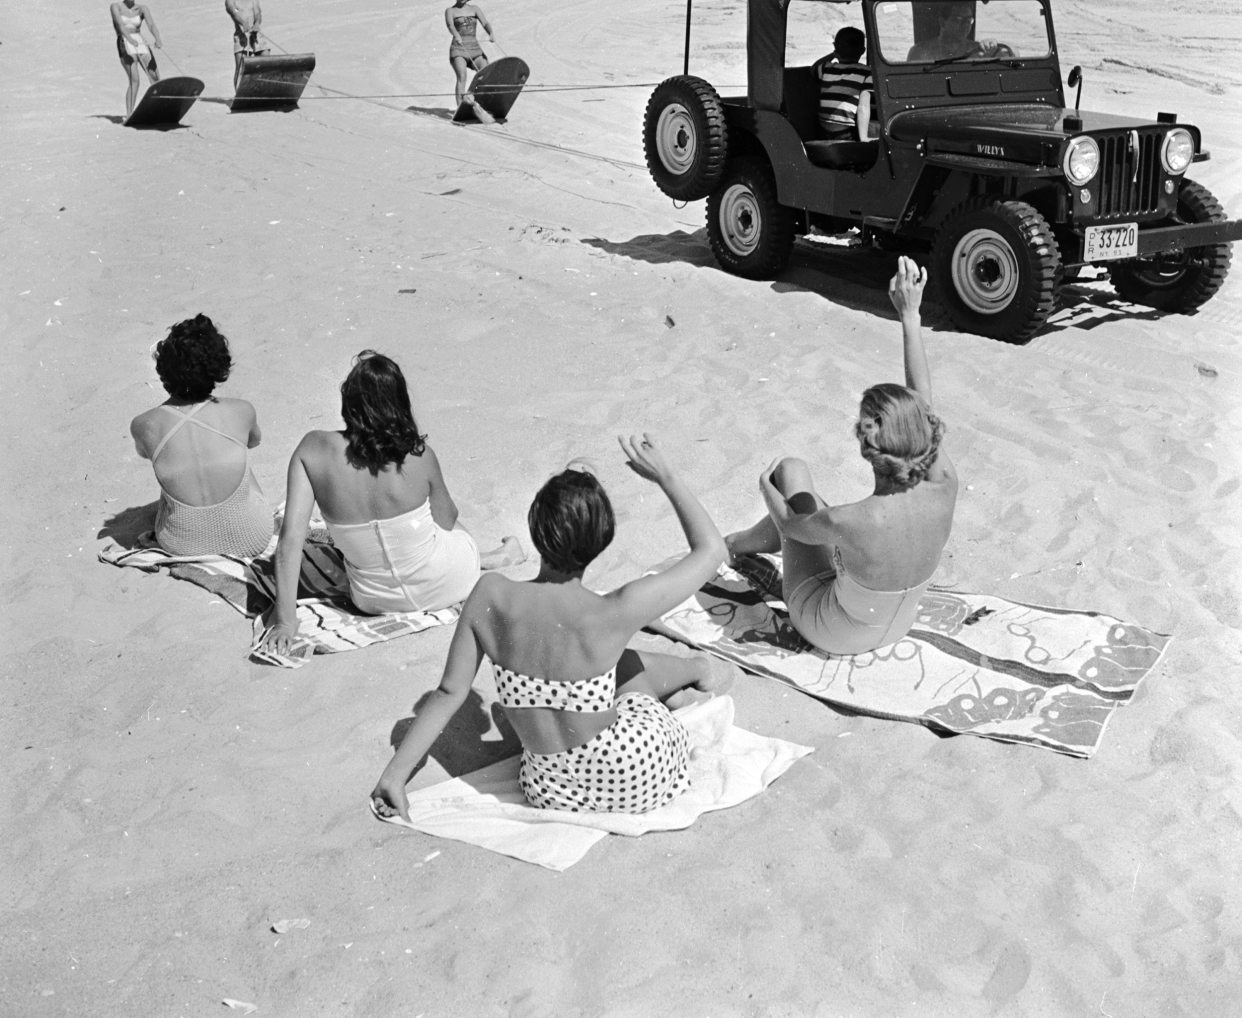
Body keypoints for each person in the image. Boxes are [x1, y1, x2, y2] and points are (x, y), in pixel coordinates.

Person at [370, 438, 732, 820]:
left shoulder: (491, 595)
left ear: (535, 529)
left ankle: (693, 673)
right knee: (620, 664)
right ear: (602, 540)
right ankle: (698, 670)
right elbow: (711, 551)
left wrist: (394, 777)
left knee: (595, 672)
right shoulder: (614, 610)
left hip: (549, 788)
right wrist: (666, 477)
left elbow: (448, 691)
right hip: (638, 776)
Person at [724, 257, 958, 656]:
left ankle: (732, 543)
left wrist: (767, 488)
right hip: (896, 628)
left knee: (790, 473)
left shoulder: (848, 520)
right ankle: (742, 543)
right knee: (818, 519)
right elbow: (924, 404)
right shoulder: (944, 485)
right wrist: (910, 315)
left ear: (868, 451)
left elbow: (790, 525)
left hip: (830, 630)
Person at [258, 352, 521, 657]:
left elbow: (290, 542)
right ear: (399, 405)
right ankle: (493, 557)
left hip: (373, 600)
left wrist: (286, 623)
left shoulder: (313, 450)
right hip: (449, 586)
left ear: (348, 401)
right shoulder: (418, 456)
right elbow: (446, 521)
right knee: (444, 520)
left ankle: (489, 557)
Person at [130, 315, 275, 559]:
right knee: (239, 454)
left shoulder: (144, 424)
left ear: (164, 369)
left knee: (171, 462)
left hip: (182, 544)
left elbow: (145, 454)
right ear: (218, 367)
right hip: (251, 537)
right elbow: (254, 441)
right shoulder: (242, 410)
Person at [445, 0, 497, 120]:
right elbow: (450, 25)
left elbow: (485, 22)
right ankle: (460, 108)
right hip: (459, 48)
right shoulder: (451, 11)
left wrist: (490, 32)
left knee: (485, 73)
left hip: (474, 48)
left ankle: (475, 101)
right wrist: (456, 35)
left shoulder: (474, 8)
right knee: (462, 76)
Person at [110, 0, 162, 117]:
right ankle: (129, 114)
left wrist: (157, 39)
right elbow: (120, 25)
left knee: (155, 78)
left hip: (140, 41)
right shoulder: (115, 6)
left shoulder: (142, 8)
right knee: (135, 80)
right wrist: (129, 38)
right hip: (124, 41)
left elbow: (151, 25)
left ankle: (159, 110)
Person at [813, 26, 872, 139]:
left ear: (835, 47)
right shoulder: (866, 72)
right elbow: (863, 107)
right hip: (846, 133)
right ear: (863, 51)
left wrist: (833, 54)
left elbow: (813, 68)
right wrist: (863, 139)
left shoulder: (826, 67)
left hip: (822, 129)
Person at [906, 1, 1002, 64]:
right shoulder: (921, 52)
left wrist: (994, 44)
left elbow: (1013, 56)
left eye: (968, 20)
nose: (965, 25)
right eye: (958, 20)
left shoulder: (979, 50)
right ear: (942, 22)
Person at [225, 0, 264, 84]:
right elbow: (234, 13)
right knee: (241, 68)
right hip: (242, 37)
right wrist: (244, 24)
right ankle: (238, 96)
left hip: (256, 35)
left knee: (266, 65)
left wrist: (256, 24)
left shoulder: (253, 0)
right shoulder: (230, 1)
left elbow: (257, 14)